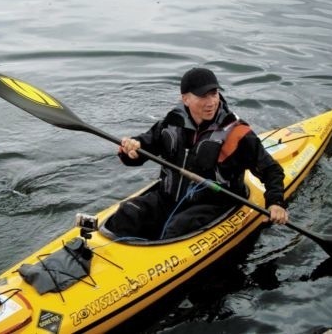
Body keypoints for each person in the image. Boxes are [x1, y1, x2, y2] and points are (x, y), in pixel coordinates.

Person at [104, 67, 288, 240]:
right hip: (168, 198)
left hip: (213, 206)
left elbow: (271, 170)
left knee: (178, 228)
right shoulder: (171, 123)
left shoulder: (238, 134)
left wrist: (276, 202)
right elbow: (139, 152)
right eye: (202, 96)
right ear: (185, 99)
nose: (211, 102)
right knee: (127, 212)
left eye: (214, 94)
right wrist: (130, 150)